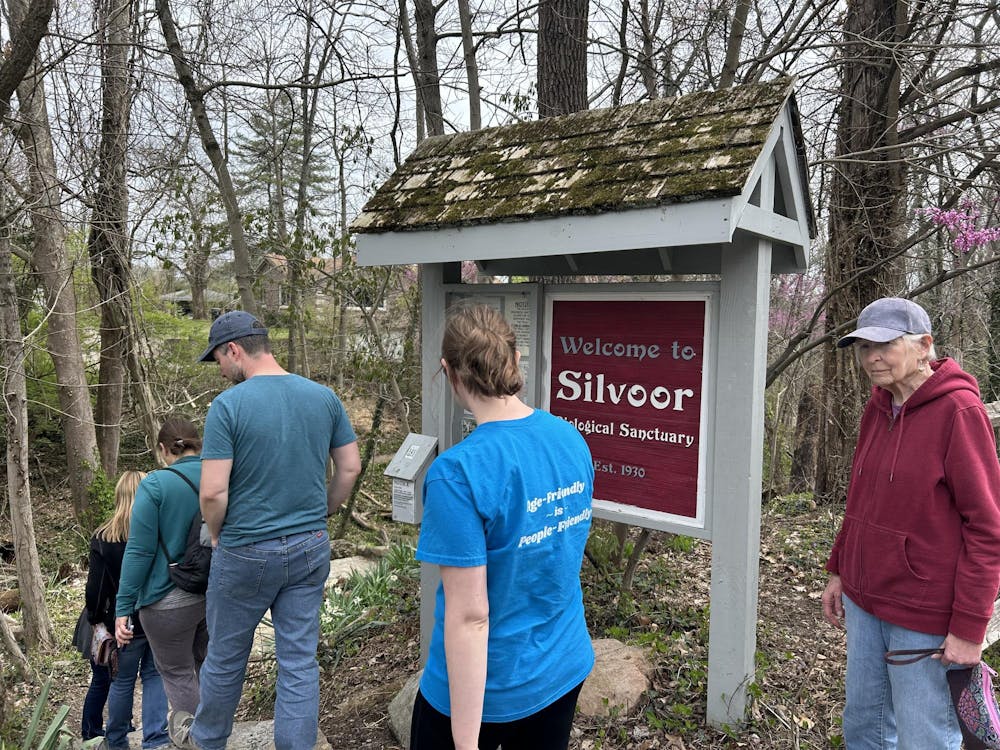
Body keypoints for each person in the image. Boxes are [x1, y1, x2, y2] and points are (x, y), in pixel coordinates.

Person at [169, 310, 361, 750]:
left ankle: (208, 741)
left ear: (234, 349)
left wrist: (215, 533)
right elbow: (349, 468)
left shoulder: (229, 407)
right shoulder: (323, 397)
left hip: (246, 551)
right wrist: (324, 511)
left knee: (225, 657)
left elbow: (213, 493)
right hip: (311, 546)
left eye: (218, 358)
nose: (220, 370)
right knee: (298, 662)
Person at [409, 304, 595, 750]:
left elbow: (471, 618)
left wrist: (466, 743)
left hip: (488, 696)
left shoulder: (457, 473)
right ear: (514, 359)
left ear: (448, 371)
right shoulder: (570, 437)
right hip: (563, 666)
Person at [821, 297, 1000, 749]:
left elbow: (988, 529)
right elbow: (860, 499)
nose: (871, 357)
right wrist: (839, 569)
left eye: (884, 345)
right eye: (863, 347)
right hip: (865, 602)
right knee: (864, 728)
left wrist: (968, 630)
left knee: (924, 739)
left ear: (924, 346)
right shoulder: (878, 407)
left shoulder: (959, 412)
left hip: (924, 615)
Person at [115, 416, 207, 720]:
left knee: (178, 672)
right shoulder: (222, 476)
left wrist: (123, 608)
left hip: (167, 599)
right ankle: (219, 730)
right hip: (215, 591)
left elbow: (140, 550)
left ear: (163, 449)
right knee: (209, 665)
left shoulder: (155, 484)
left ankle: (201, 739)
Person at [88, 470, 170, 750]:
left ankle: (117, 741)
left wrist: (97, 620)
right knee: (154, 675)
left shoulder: (103, 538)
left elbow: (95, 590)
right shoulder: (160, 531)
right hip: (157, 615)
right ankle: (156, 738)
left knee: (121, 681)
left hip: (122, 622)